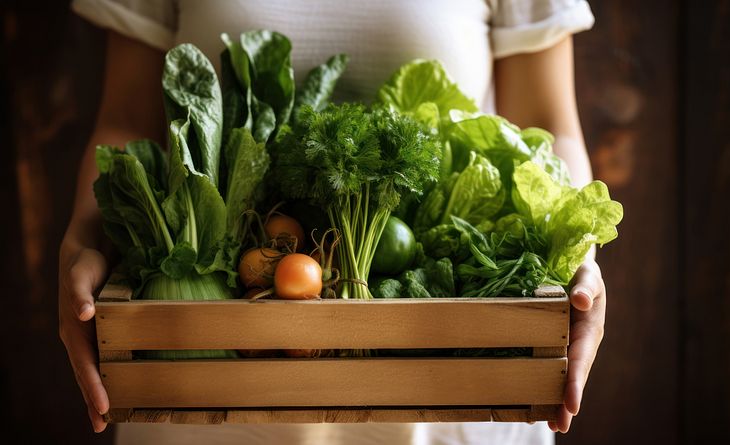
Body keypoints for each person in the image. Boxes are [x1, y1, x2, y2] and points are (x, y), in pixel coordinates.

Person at [59, 0, 608, 443]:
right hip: (210, 387)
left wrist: (575, 252)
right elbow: (125, 121)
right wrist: (82, 240)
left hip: (451, 387)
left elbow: (548, 129)